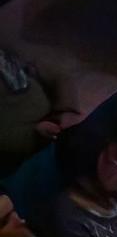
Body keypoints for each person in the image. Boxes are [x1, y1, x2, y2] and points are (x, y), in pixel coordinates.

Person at [0, 43, 81, 172]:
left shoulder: (8, 49)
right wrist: (35, 133)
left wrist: (66, 110)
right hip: (26, 150)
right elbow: (4, 138)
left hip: (56, 119)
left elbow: (58, 73)